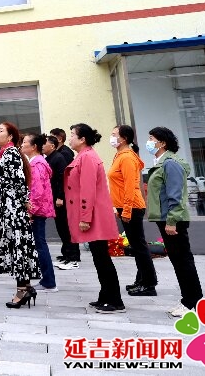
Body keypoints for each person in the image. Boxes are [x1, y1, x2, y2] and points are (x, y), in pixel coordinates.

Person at [65, 123, 123, 314]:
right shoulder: (83, 156)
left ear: (82, 139)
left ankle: (115, 300)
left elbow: (88, 190)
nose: (70, 138)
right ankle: (105, 295)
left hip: (94, 215)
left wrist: (85, 217)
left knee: (102, 258)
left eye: (72, 135)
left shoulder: (88, 157)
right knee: (99, 257)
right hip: (93, 214)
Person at [145, 126, 203, 318]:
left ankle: (192, 302)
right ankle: (188, 299)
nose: (149, 142)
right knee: (178, 260)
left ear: (162, 143)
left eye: (152, 138)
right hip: (166, 218)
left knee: (183, 260)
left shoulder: (170, 163)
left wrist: (172, 221)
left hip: (173, 219)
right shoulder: (161, 162)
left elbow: (175, 195)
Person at [0, 122, 40, 309]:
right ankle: (26, 286)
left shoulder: (11, 153)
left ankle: (22, 290)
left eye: (1, 131)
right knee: (17, 246)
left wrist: (25, 202)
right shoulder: (5, 153)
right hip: (8, 208)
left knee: (18, 247)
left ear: (10, 136)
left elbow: (19, 181)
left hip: (13, 209)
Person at [108, 125, 157, 298]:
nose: (111, 137)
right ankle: (141, 279)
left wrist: (127, 210)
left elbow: (130, 186)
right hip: (125, 206)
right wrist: (119, 208)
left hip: (133, 206)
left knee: (139, 246)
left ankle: (149, 284)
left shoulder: (127, 157)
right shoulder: (120, 155)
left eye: (114, 134)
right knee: (137, 246)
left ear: (124, 138)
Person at [23, 134, 57, 293]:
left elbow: (36, 192)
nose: (22, 145)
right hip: (38, 209)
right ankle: (47, 279)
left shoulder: (36, 164)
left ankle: (49, 281)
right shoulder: (36, 162)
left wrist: (30, 211)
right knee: (39, 244)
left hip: (37, 210)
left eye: (25, 142)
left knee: (40, 244)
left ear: (34, 147)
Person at [50, 128, 81, 269]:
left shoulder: (64, 154)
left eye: (52, 137)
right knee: (62, 227)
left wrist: (60, 196)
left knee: (67, 227)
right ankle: (67, 253)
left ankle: (72, 256)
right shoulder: (58, 153)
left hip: (65, 197)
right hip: (61, 196)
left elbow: (65, 177)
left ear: (59, 139)